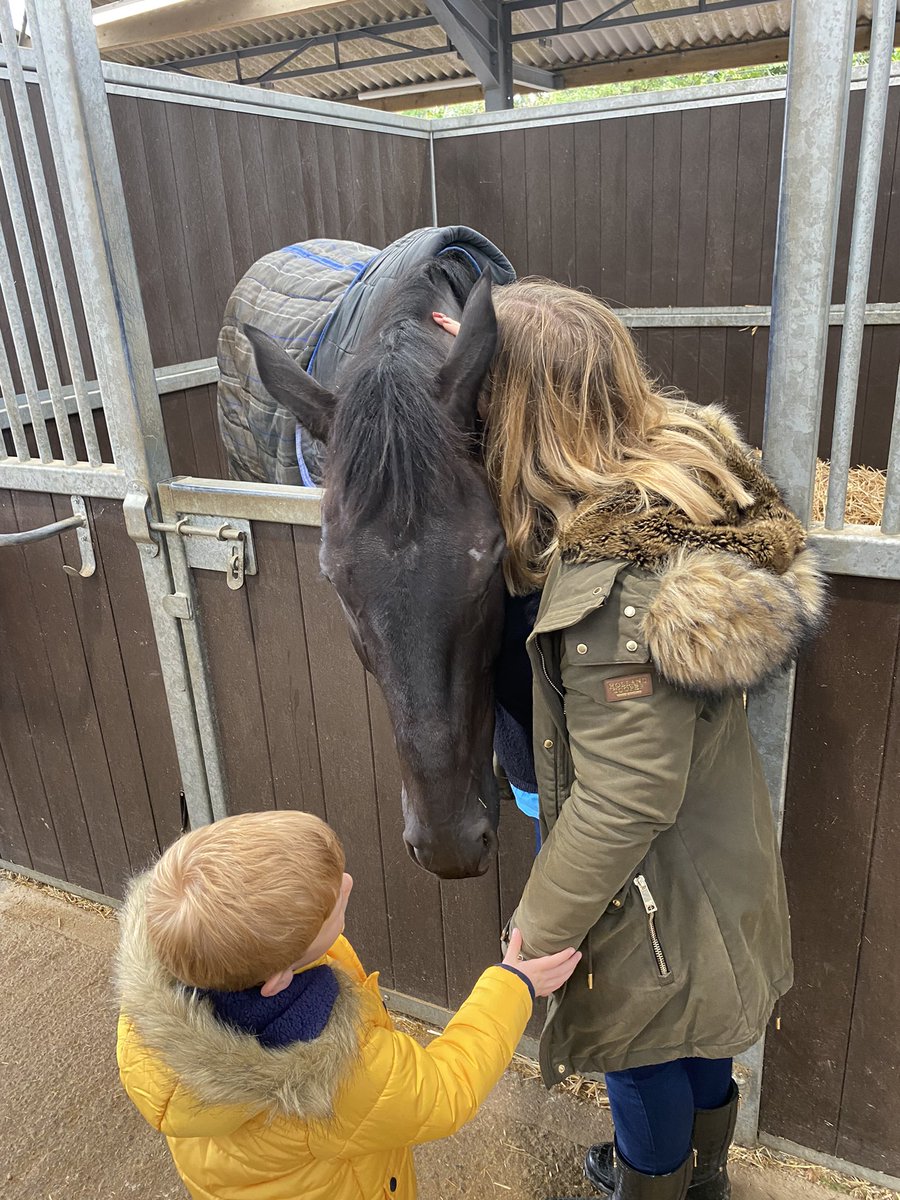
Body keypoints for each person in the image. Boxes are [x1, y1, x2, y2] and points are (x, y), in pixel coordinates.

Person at [433, 281, 826, 1200]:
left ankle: (654, 1182)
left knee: (637, 1031)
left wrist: (538, 929)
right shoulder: (668, 465)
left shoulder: (616, 584)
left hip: (645, 864)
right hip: (705, 841)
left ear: (516, 407)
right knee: (693, 1020)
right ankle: (705, 1174)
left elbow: (624, 794)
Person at [115, 809, 581, 1200]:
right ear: (278, 979)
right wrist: (511, 987)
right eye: (331, 905)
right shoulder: (336, 1075)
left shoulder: (170, 988)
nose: (349, 883)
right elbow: (445, 1091)